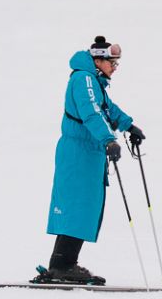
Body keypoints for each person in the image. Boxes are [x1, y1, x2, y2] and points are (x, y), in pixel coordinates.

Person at [37, 36, 145, 285]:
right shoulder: (84, 79)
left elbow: (107, 108)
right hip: (79, 152)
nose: (114, 68)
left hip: (87, 151)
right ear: (98, 60)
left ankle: (63, 263)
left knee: (83, 207)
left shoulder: (93, 81)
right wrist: (108, 139)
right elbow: (91, 112)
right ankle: (62, 266)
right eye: (112, 63)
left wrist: (129, 126)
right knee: (78, 206)